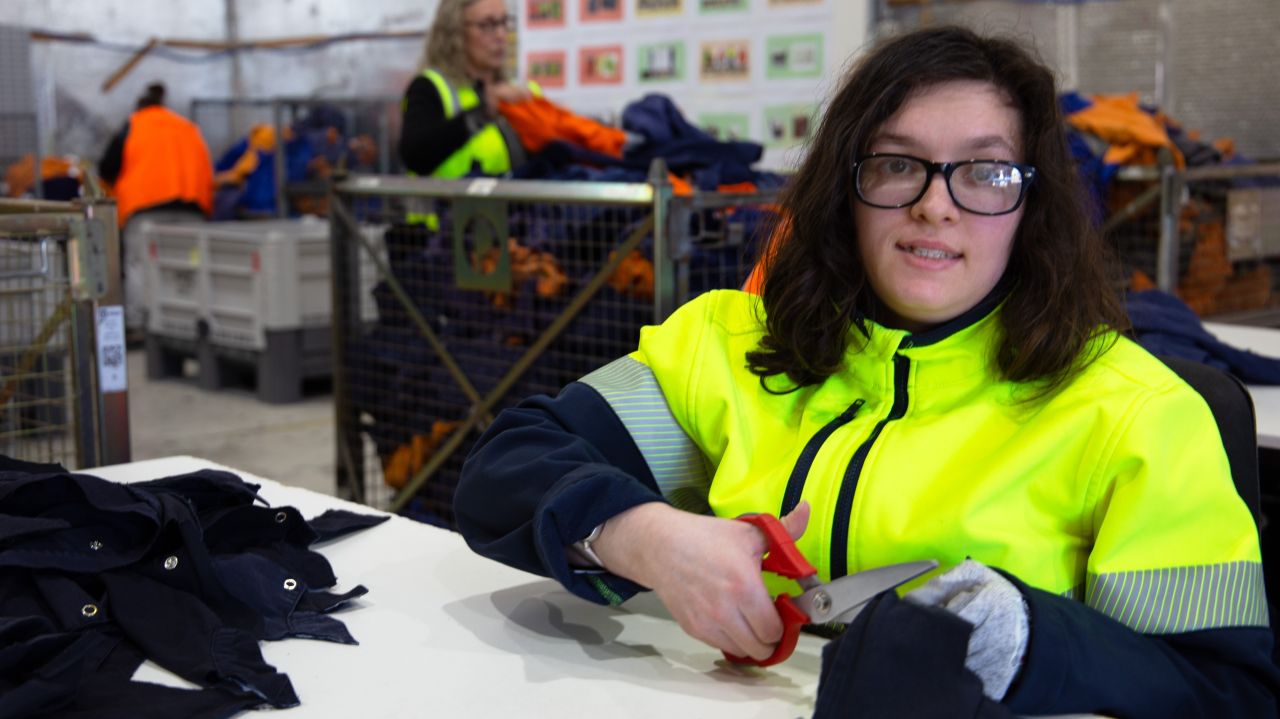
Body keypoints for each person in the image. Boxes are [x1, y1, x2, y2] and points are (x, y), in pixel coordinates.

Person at [454, 26, 1277, 717]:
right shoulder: (731, 342)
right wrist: (644, 535)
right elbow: (505, 467)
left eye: (986, 172)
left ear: (1033, 205)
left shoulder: (1136, 415)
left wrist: (1034, 641)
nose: (936, 204)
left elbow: (1226, 689)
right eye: (896, 164)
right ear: (846, 188)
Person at [99, 82, 213, 337]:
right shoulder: (187, 127)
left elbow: (107, 168)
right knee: (187, 266)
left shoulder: (133, 125)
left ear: (139, 107)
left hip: (145, 209)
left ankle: (140, 324)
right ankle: (190, 322)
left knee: (140, 265)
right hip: (192, 209)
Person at [398, 0, 536, 182]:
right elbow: (414, 155)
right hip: (444, 210)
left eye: (504, 22)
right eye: (487, 25)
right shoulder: (429, 87)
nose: (501, 35)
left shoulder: (518, 91)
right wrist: (481, 114)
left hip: (507, 210)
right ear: (455, 33)